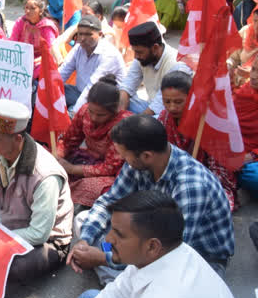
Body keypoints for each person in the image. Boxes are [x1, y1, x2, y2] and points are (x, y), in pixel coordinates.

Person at [68, 115, 234, 282]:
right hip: (148, 235)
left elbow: (169, 252)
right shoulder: (139, 161)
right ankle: (121, 279)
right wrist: (84, 241)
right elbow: (109, 203)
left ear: (146, 156)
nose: (123, 161)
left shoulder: (190, 186)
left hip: (197, 259)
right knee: (83, 221)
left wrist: (103, 258)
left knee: (155, 274)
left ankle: (118, 283)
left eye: (125, 156)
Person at [70, 190, 241, 298]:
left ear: (152, 246)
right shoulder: (164, 254)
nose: (108, 238)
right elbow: (112, 297)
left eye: (118, 234)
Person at [0, 99, 74, 283]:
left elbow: (38, 234)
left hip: (47, 241)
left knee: (13, 267)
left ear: (17, 139)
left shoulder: (45, 176)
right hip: (8, 222)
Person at [157, 71, 239, 210]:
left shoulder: (208, 122)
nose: (172, 107)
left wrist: (194, 182)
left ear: (190, 98)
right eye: (167, 101)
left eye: (178, 102)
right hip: (175, 176)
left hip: (207, 179)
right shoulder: (164, 118)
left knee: (212, 207)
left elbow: (218, 167)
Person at [56, 76, 132, 207]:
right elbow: (68, 140)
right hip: (85, 158)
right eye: (92, 112)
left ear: (115, 111)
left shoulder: (122, 125)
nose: (94, 118)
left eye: (101, 115)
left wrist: (72, 169)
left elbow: (110, 167)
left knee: (94, 188)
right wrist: (58, 156)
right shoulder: (84, 111)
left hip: (112, 172)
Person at [118, 21, 191, 115]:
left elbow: (159, 105)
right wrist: (120, 115)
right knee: (113, 97)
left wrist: (134, 124)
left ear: (155, 48)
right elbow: (127, 85)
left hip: (168, 114)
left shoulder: (177, 64)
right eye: (135, 52)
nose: (136, 56)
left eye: (139, 52)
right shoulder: (141, 58)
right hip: (149, 107)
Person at [59, 15, 125, 111]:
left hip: (102, 102)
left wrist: (74, 112)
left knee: (71, 114)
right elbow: (62, 73)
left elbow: (91, 89)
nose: (82, 38)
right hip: (80, 93)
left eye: (88, 34)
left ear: (100, 34)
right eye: (80, 34)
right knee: (52, 90)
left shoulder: (109, 54)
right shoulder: (78, 48)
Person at [9, 0, 59, 79]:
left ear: (41, 11)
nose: (28, 11)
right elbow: (12, 42)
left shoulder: (47, 27)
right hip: (21, 59)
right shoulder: (20, 22)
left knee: (44, 67)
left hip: (39, 61)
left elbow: (50, 51)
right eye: (26, 8)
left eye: (32, 8)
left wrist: (34, 61)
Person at [234, 57, 258, 200]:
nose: (254, 76)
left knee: (252, 176)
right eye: (254, 69)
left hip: (252, 157)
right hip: (240, 151)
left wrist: (252, 156)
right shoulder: (244, 92)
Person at [228, 5, 258, 87]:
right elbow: (232, 57)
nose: (257, 26)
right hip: (238, 82)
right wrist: (229, 66)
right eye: (255, 21)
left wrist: (252, 73)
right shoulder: (246, 32)